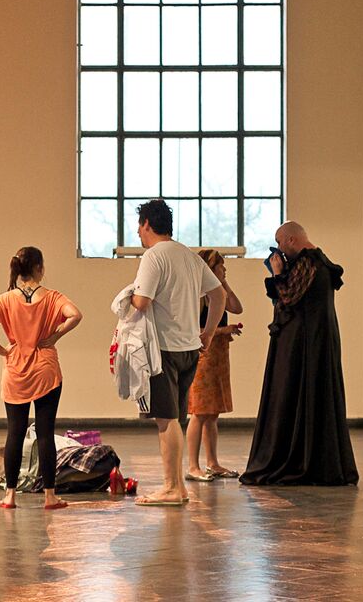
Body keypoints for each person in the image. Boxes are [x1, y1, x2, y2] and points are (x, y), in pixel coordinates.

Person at [240, 221, 359, 486]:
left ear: (291, 240)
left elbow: (289, 296)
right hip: (311, 343)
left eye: (279, 242)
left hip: (304, 347)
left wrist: (277, 273)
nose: (278, 248)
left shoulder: (309, 262)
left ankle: (297, 462)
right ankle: (306, 460)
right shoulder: (316, 262)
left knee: (295, 395)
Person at [130, 200, 227, 506]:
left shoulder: (154, 256)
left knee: (165, 419)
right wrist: (207, 333)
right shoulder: (188, 255)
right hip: (189, 349)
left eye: (139, 226)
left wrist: (128, 297)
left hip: (163, 349)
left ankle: (173, 487)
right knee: (176, 419)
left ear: (147, 224)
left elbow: (142, 302)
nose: (138, 232)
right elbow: (219, 295)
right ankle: (177, 487)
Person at [0, 247, 82, 510]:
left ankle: (10, 495)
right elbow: (75, 315)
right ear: (39, 268)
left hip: (15, 371)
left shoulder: (4, 299)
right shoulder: (53, 297)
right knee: (45, 433)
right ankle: (50, 496)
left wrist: (3, 351)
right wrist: (55, 336)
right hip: (46, 370)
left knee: (15, 432)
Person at [185, 249, 244, 482]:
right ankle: (193, 465)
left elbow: (237, 307)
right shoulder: (196, 296)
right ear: (210, 269)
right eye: (221, 266)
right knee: (199, 412)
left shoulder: (216, 294)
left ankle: (213, 463)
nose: (225, 269)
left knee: (212, 413)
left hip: (219, 355)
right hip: (203, 357)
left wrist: (224, 283)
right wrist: (223, 330)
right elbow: (194, 330)